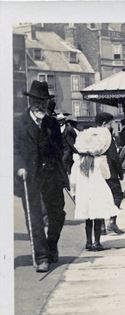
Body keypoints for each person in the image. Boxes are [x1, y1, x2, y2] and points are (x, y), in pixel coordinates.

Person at [13, 80, 68, 272]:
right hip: (29, 178)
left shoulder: (51, 123)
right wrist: (20, 166)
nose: (41, 105)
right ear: (31, 102)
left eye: (44, 101)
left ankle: (51, 245)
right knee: (34, 218)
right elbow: (13, 150)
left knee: (58, 214)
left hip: (52, 175)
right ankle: (42, 256)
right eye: (37, 101)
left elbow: (60, 148)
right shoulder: (18, 123)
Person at [69, 124, 119, 251]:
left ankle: (88, 242)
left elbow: (73, 179)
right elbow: (107, 175)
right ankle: (97, 242)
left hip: (84, 191)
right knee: (98, 216)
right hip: (97, 190)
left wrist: (74, 192)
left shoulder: (78, 161)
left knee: (88, 219)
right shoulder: (99, 160)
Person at [98, 113, 125, 235]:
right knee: (117, 195)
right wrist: (120, 172)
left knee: (100, 197)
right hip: (109, 171)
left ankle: (101, 226)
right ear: (104, 123)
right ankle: (112, 221)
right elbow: (114, 157)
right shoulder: (107, 135)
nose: (111, 125)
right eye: (110, 123)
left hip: (96, 172)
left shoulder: (91, 134)